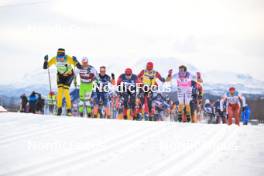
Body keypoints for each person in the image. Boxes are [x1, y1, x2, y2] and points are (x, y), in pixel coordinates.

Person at [43, 48, 81, 116]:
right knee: (60, 91)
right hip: (60, 75)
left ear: (64, 55)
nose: (60, 59)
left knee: (66, 91)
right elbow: (45, 67)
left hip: (69, 75)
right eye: (59, 57)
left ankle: (69, 109)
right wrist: (45, 61)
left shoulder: (68, 58)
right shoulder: (54, 59)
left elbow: (79, 67)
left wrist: (76, 61)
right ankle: (59, 108)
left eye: (62, 57)